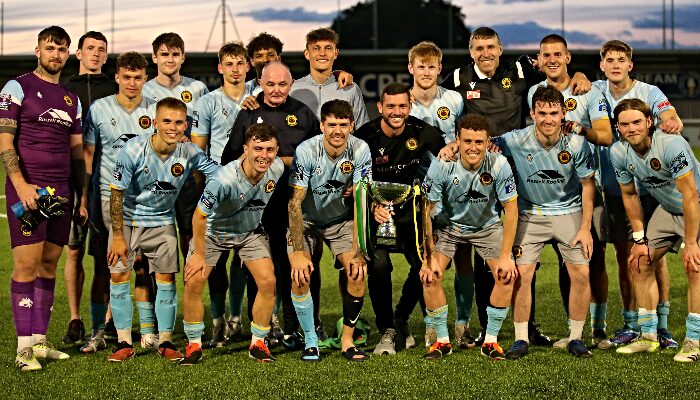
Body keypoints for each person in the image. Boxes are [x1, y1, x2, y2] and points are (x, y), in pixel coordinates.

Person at [441, 26, 590, 345]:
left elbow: (555, 73)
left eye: (491, 46)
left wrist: (580, 74)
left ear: (500, 47)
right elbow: (434, 105)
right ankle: (485, 327)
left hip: (520, 164)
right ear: (471, 51)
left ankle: (530, 327)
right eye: (479, 48)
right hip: (479, 172)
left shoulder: (521, 68)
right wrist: (454, 144)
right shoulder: (455, 79)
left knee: (524, 254)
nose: (486, 53)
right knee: (485, 252)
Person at [106, 98, 218, 362]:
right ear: (155, 123)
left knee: (166, 280)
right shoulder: (133, 149)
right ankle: (123, 342)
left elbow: (219, 175)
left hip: (162, 221)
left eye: (179, 122)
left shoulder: (189, 152)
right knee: (120, 277)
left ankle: (165, 342)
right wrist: (119, 236)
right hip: (130, 221)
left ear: (186, 125)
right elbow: (116, 193)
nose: (173, 127)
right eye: (167, 121)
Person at [1, 26, 85, 371]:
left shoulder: (71, 98)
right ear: (38, 50)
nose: (56, 54)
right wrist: (20, 184)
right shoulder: (17, 87)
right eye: (50, 47)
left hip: (61, 194)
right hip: (30, 191)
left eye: (62, 49)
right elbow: (5, 143)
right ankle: (22, 350)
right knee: (26, 265)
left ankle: (39, 341)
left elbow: (77, 153)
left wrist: (81, 198)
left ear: (68, 54)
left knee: (50, 264)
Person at [221, 61, 321, 350]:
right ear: (261, 84)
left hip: (293, 207)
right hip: (257, 208)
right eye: (270, 84)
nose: (276, 90)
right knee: (260, 269)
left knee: (298, 267)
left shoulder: (303, 113)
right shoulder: (249, 112)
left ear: (290, 84)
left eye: (282, 84)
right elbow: (229, 159)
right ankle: (261, 330)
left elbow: (317, 157)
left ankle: (297, 327)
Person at [493, 86, 596, 359]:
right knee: (522, 275)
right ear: (532, 114)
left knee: (581, 274)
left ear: (564, 113)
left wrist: (586, 228)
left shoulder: (576, 143)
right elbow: (483, 143)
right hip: (530, 215)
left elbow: (588, 186)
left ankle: (576, 337)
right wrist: (456, 145)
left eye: (553, 113)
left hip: (569, 213)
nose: (548, 119)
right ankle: (521, 338)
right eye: (542, 113)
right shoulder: (514, 140)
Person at [593, 39, 683, 348]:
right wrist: (576, 78)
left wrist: (671, 119)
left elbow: (668, 112)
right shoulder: (593, 91)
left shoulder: (649, 92)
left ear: (630, 64)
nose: (615, 64)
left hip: (653, 188)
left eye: (621, 59)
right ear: (602, 65)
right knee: (625, 256)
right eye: (609, 59)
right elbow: (570, 88)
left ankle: (662, 326)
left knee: (656, 259)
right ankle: (632, 322)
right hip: (615, 187)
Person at [527, 34, 614, 350]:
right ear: (538, 59)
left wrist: (578, 128)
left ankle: (599, 329)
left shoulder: (588, 90)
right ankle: (573, 329)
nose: (551, 59)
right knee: (567, 261)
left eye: (557, 54)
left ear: (568, 57)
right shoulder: (534, 93)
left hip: (590, 186)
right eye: (545, 54)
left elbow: (605, 136)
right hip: (550, 191)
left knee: (596, 258)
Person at [354, 82, 445, 355]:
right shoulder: (365, 137)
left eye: (402, 106)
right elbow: (355, 180)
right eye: (390, 106)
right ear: (380, 107)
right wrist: (371, 206)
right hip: (376, 212)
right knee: (379, 266)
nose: (396, 112)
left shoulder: (422, 132)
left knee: (425, 265)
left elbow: (446, 157)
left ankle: (401, 317)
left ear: (410, 107)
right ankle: (387, 330)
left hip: (411, 213)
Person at [181, 123, 284, 365]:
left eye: (269, 149)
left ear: (277, 150)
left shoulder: (277, 168)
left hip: (249, 232)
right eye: (258, 149)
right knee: (194, 280)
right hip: (214, 232)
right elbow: (199, 216)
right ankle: (193, 344)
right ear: (245, 149)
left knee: (268, 281)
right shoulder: (223, 179)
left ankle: (258, 342)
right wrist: (197, 255)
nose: (264, 155)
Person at [420, 113, 518, 360]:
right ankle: (442, 340)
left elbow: (511, 209)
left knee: (507, 276)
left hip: (487, 227)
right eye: (467, 141)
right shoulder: (442, 164)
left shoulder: (498, 163)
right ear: (457, 141)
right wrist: (428, 255)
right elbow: (427, 211)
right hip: (450, 228)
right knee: (430, 276)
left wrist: (506, 256)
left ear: (487, 142)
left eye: (479, 142)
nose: (473, 148)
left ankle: (491, 341)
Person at [609, 99, 700, 362]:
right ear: (618, 128)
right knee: (639, 262)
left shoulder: (671, 144)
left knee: (694, 265)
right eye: (624, 124)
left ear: (650, 122)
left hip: (696, 205)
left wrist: (691, 242)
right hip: (668, 209)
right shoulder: (618, 153)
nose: (631, 129)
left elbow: (691, 196)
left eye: (637, 122)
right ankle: (648, 337)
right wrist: (639, 238)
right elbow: (629, 195)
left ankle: (693, 341)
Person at [79, 51, 157, 354]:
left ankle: (148, 331)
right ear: (117, 77)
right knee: (106, 264)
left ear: (145, 78)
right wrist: (83, 198)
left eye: (138, 77)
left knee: (143, 265)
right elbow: (87, 155)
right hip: (108, 198)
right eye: (127, 76)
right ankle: (99, 331)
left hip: (145, 200)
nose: (132, 82)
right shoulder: (99, 109)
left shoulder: (154, 109)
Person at [287, 99, 371, 361]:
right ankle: (311, 340)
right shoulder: (306, 151)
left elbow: (361, 201)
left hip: (340, 221)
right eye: (331, 124)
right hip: (308, 221)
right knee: (299, 275)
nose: (337, 130)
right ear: (322, 125)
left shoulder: (361, 150)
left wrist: (359, 250)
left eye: (343, 125)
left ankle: (348, 340)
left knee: (358, 273)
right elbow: (295, 203)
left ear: (352, 126)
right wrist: (299, 251)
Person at [407, 41, 474, 349]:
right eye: (420, 66)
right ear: (411, 68)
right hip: (420, 193)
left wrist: (455, 146)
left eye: (431, 66)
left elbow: (467, 136)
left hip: (456, 189)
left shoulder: (455, 100)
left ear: (439, 69)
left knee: (462, 258)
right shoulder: (402, 102)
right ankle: (433, 325)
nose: (426, 72)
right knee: (428, 259)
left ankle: (462, 323)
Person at [191, 41, 254, 348]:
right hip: (218, 188)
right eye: (228, 64)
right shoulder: (207, 103)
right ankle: (217, 321)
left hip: (251, 189)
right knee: (215, 260)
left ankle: (236, 318)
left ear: (248, 66)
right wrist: (214, 179)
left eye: (239, 63)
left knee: (243, 257)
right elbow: (196, 148)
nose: (234, 69)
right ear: (220, 68)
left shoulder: (258, 96)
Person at [62, 30, 118, 345]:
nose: (95, 53)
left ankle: (108, 320)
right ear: (79, 53)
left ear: (106, 56)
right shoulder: (64, 88)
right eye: (90, 48)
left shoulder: (114, 88)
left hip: (106, 183)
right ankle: (74, 318)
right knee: (73, 251)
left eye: (101, 49)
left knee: (104, 255)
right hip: (70, 182)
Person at [142, 32, 209, 259]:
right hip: (154, 173)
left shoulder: (198, 89)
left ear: (183, 57)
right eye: (164, 54)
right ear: (154, 58)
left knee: (190, 232)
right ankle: (158, 293)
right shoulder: (144, 90)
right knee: (156, 236)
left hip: (188, 174)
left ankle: (189, 288)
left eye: (174, 54)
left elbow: (205, 131)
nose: (169, 59)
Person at [290, 27, 368, 128]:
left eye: (328, 48)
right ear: (307, 54)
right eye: (316, 48)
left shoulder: (350, 89)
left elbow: (363, 130)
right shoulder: (292, 90)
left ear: (336, 53)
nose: (322, 54)